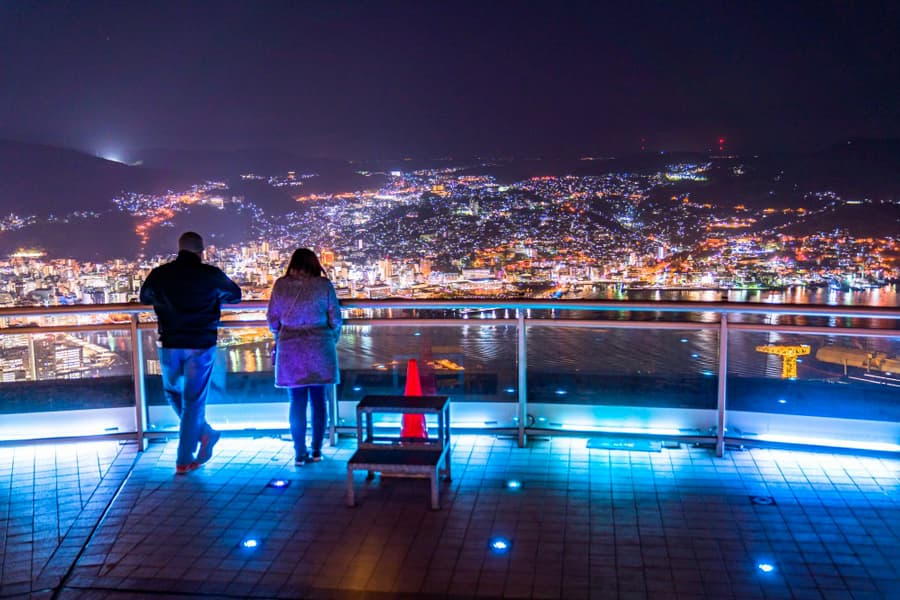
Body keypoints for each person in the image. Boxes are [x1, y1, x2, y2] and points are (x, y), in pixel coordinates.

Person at [140, 232, 242, 474]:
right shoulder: (210, 274)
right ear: (201, 251)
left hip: (170, 341)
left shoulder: (160, 274)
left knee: (172, 392)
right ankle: (188, 453)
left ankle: (201, 438)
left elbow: (144, 297)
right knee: (193, 401)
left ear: (179, 249)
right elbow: (235, 295)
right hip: (200, 343)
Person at [267, 248, 342, 466]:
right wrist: (330, 338)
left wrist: (281, 334)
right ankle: (317, 450)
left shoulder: (281, 285)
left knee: (297, 402)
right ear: (315, 264)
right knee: (319, 401)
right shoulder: (323, 285)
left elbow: (272, 319)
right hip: (319, 346)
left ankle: (300, 453)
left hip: (290, 349)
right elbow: (335, 318)